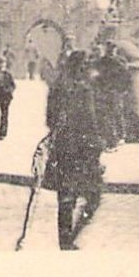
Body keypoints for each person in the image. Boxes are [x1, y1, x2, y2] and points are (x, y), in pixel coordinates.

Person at [45, 50, 104, 250]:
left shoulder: (57, 88)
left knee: (67, 198)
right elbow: (91, 121)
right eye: (86, 64)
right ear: (80, 67)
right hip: (82, 151)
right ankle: (69, 240)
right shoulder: (84, 90)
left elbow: (49, 120)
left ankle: (66, 241)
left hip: (65, 150)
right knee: (92, 197)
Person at [93, 41, 129, 149]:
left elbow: (125, 77)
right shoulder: (106, 61)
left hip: (111, 91)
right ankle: (116, 137)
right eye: (109, 48)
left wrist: (123, 89)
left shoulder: (115, 61)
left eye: (112, 48)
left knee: (114, 113)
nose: (110, 50)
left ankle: (118, 136)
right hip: (109, 91)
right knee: (112, 113)